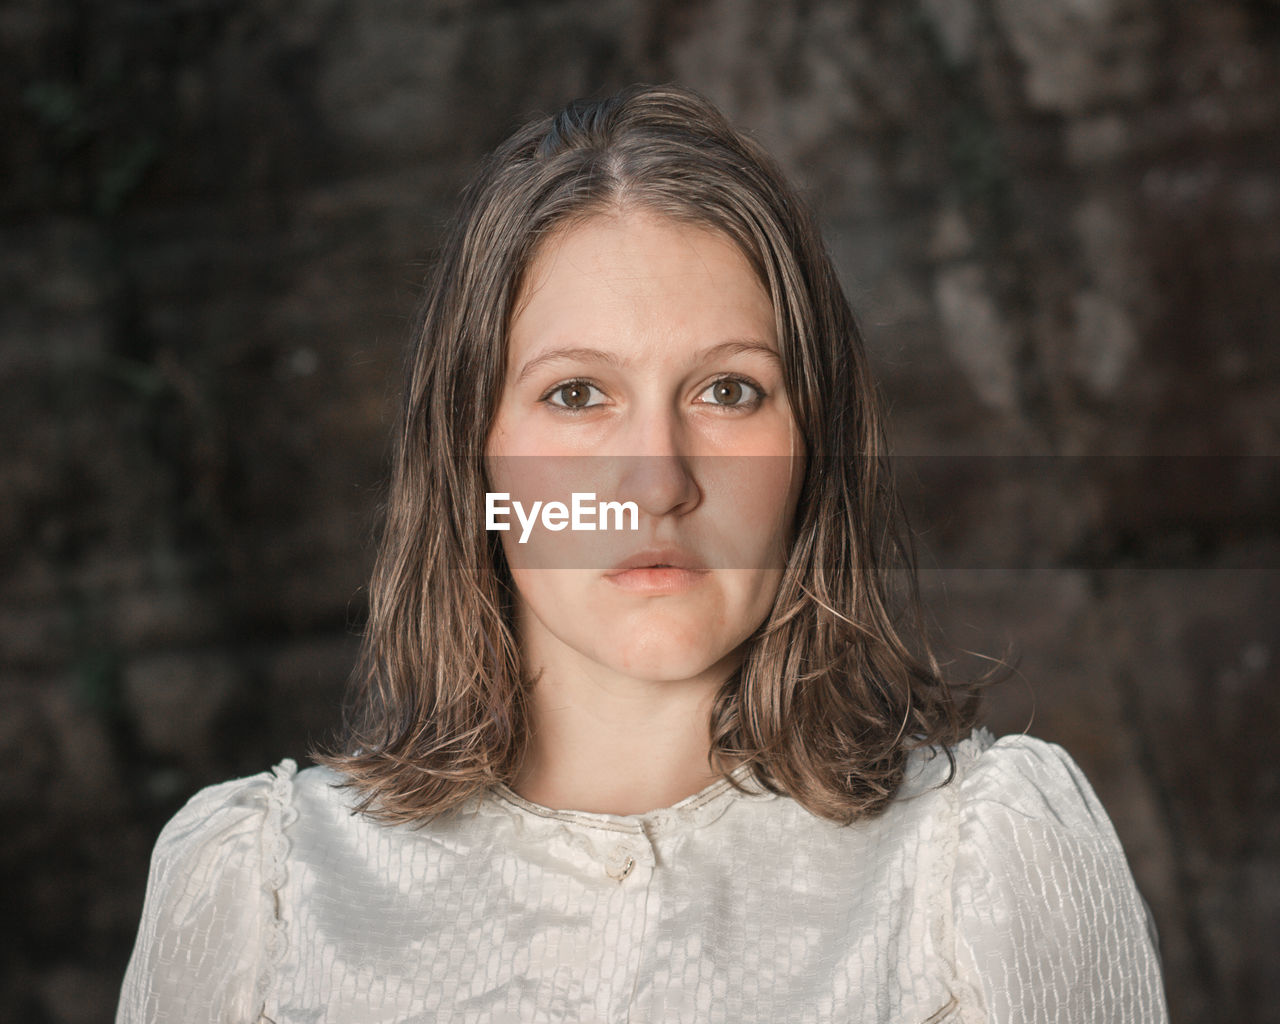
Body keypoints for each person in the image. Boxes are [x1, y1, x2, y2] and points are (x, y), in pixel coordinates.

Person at [116, 84, 1168, 1023]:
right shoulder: (263, 893)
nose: (657, 481)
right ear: (470, 449)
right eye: (577, 395)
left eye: (728, 391)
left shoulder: (981, 869)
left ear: (814, 446)